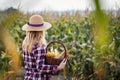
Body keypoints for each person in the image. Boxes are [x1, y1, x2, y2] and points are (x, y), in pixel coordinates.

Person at [22, 15, 67, 80]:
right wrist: (57, 67)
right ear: (42, 31)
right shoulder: (40, 46)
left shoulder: (26, 45)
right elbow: (40, 67)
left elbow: (30, 66)